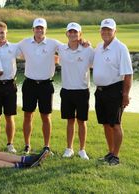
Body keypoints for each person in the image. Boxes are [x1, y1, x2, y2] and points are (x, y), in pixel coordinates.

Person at [18, 18, 62, 154]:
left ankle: (46, 146)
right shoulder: (25, 43)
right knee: (27, 115)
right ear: (33, 29)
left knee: (46, 116)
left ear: (45, 29)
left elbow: (69, 47)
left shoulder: (53, 43)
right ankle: (27, 145)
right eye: (37, 28)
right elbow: (9, 48)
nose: (39, 30)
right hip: (29, 84)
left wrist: (83, 43)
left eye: (42, 28)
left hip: (46, 85)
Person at [93, 18, 133, 165]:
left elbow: (128, 74)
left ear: (115, 31)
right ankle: (110, 153)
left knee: (115, 124)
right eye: (104, 29)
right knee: (106, 123)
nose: (106, 32)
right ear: (100, 31)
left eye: (109, 30)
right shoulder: (99, 47)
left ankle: (115, 156)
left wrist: (126, 95)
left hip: (115, 90)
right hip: (100, 91)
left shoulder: (121, 48)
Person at [57, 22, 94, 160]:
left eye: (75, 32)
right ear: (67, 33)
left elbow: (96, 62)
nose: (72, 34)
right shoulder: (61, 48)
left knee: (82, 121)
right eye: (70, 32)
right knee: (70, 120)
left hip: (82, 90)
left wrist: (86, 43)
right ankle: (69, 148)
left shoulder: (88, 49)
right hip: (67, 90)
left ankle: (82, 150)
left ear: (80, 34)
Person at [0, 21, 21, 153]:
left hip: (9, 85)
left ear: (6, 32)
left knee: (9, 116)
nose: (0, 35)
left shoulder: (14, 47)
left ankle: (10, 144)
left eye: (2, 32)